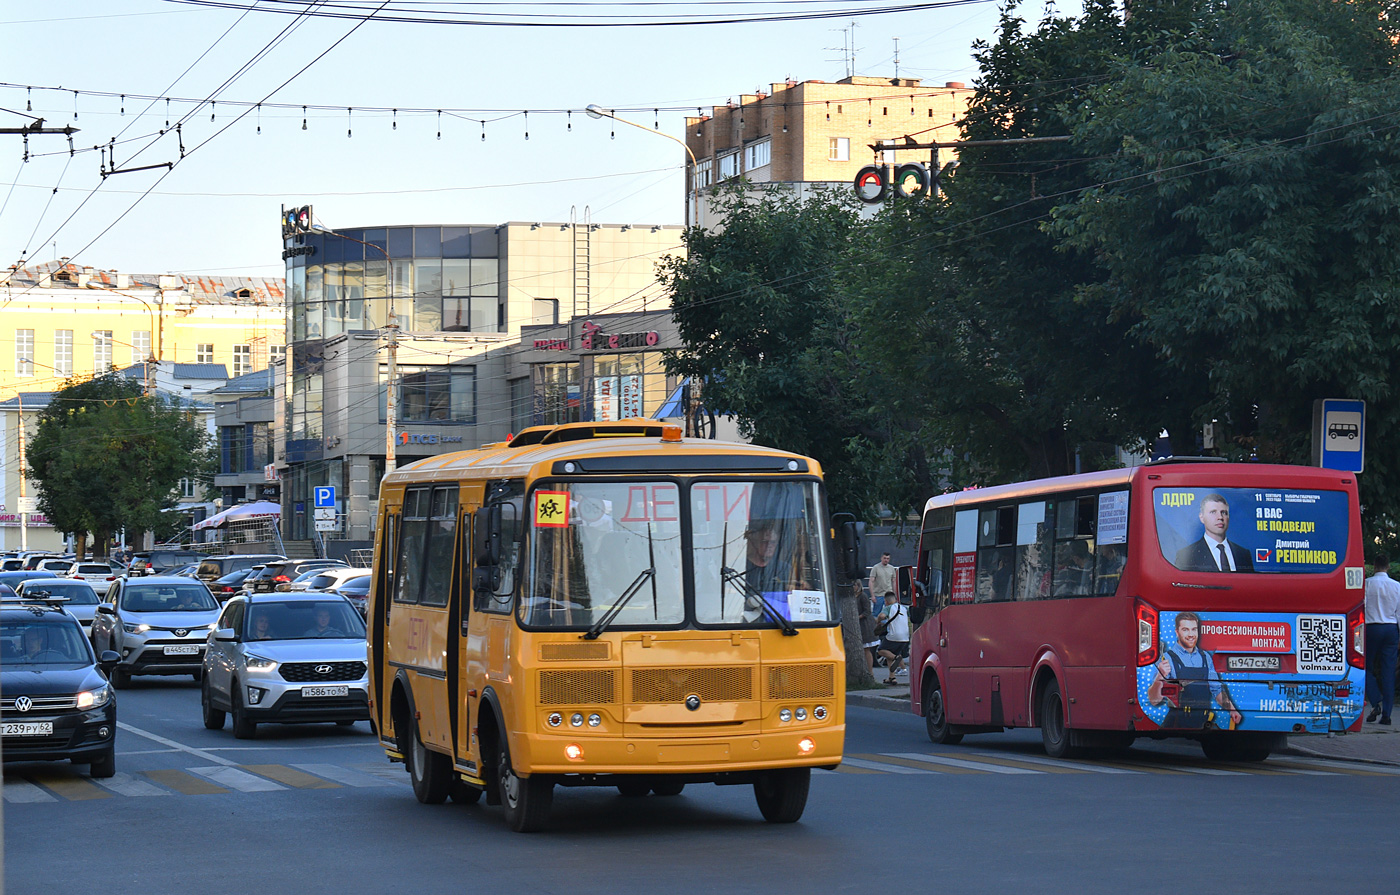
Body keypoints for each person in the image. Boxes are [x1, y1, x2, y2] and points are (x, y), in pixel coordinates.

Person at [1147, 612, 1243, 729]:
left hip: (1202, 724)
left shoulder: (1206, 658)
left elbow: (1216, 690)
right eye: (1185, 630)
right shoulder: (1167, 659)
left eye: (1194, 629)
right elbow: (1154, 700)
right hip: (1176, 725)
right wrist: (1159, 677)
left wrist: (1232, 710)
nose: (1191, 634)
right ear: (1177, 632)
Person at [1363, 554, 1400, 725]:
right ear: (1388, 567)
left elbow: (1362, 607)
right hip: (1391, 628)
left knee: (1365, 667)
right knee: (1388, 671)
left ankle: (1375, 700)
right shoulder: (1397, 586)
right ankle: (1387, 714)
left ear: (1374, 565)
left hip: (1371, 627)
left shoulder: (1367, 584)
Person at [1174, 493, 1253, 572]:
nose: (1220, 517)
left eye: (1224, 512)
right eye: (1213, 512)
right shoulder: (1187, 555)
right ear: (1202, 517)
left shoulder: (1243, 554)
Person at [875, 592, 910, 685]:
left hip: (894, 636)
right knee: (889, 655)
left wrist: (878, 621)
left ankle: (896, 658)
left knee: (881, 650)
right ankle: (892, 678)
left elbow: (881, 616)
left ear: (886, 601)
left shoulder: (888, 608)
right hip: (905, 637)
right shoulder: (904, 608)